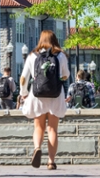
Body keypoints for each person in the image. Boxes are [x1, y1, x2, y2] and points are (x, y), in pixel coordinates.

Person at [20, 29, 70, 170]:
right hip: (55, 94)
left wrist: (24, 93)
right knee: (52, 129)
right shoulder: (60, 55)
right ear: (54, 39)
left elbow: (23, 77)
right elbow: (66, 75)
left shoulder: (32, 55)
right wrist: (58, 79)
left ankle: (37, 148)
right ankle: (51, 161)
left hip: (37, 95)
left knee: (38, 126)